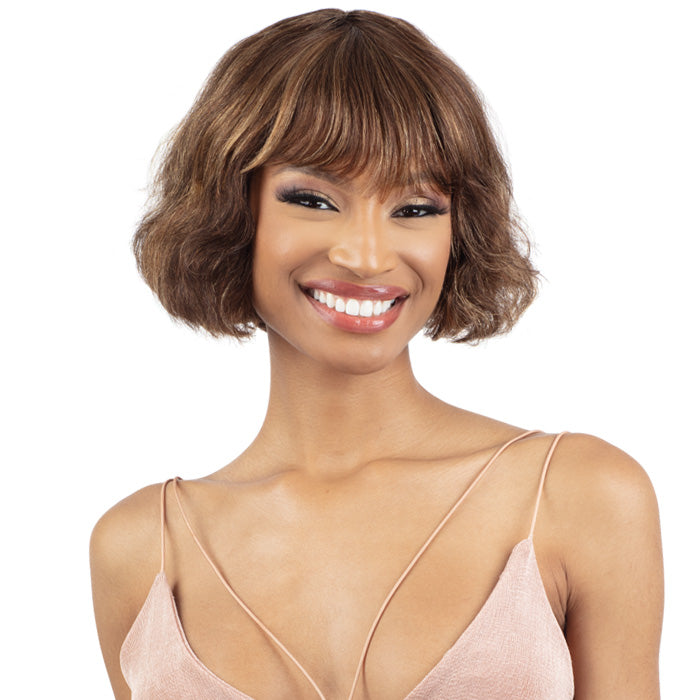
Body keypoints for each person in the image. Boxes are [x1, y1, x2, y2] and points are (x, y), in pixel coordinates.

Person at [89, 9, 663, 700]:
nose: (366, 255)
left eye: (414, 209)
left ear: (459, 233)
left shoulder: (579, 496)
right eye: (313, 199)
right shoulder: (140, 551)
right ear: (234, 213)